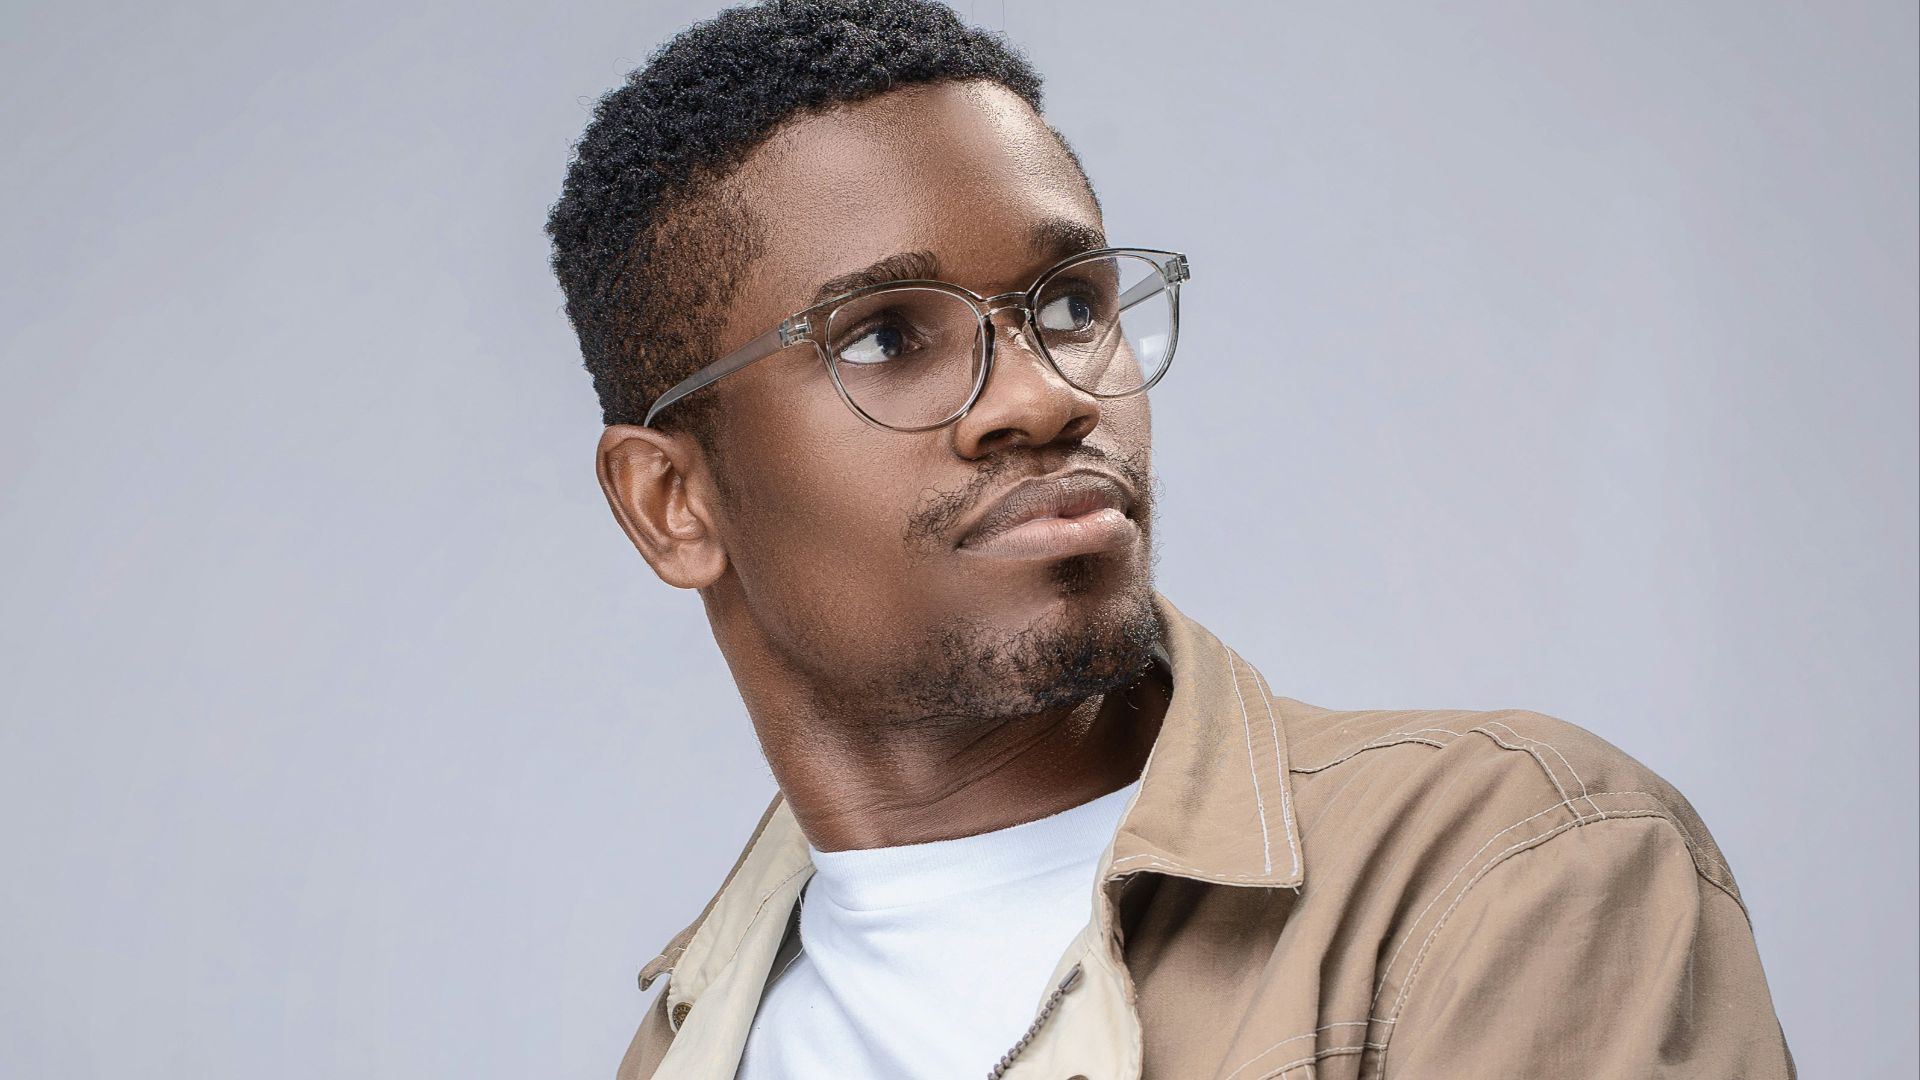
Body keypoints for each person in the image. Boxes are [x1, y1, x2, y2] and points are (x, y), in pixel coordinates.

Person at [544, 2, 1797, 1077]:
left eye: (1072, 303)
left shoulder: (1499, 868)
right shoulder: (701, 1038)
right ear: (674, 502)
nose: (1045, 395)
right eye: (885, 337)